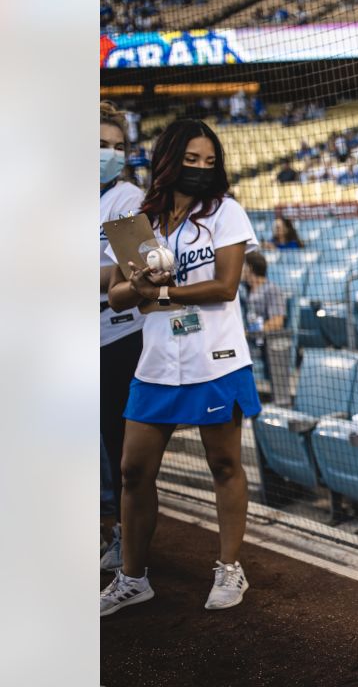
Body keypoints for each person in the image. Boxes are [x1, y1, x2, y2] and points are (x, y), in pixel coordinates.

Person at [100, 119, 263, 616]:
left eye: (208, 161)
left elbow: (225, 286)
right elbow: (116, 292)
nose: (200, 168)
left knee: (224, 465)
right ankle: (133, 578)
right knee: (132, 471)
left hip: (215, 359)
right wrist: (141, 286)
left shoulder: (224, 212)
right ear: (169, 159)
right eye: (191, 159)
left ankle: (230, 568)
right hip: (156, 363)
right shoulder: (141, 218)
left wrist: (161, 291)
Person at [99, 101, 145, 572]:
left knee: (118, 444)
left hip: (116, 337)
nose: (109, 155)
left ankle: (123, 538)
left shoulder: (127, 199)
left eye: (116, 147)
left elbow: (136, 270)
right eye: (99, 145)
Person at [241, 251, 287, 333]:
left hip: (264, 341)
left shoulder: (272, 290)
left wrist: (250, 332)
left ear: (250, 268)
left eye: (242, 265)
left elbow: (277, 322)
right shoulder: (243, 290)